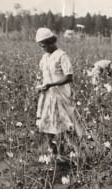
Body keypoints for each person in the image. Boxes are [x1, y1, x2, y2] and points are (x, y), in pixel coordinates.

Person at [35, 28, 84, 162]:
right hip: (47, 97)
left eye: (44, 46)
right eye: (41, 46)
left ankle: (79, 155)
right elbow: (43, 75)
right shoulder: (44, 57)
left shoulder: (62, 56)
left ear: (51, 42)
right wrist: (41, 85)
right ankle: (55, 154)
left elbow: (69, 77)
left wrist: (51, 84)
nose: (43, 49)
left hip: (61, 96)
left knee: (68, 125)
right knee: (46, 125)